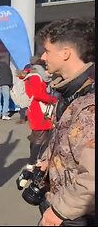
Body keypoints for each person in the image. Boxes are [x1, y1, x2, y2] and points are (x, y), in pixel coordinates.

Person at [35, 18, 95, 226]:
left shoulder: (89, 105)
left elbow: (93, 179)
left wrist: (59, 212)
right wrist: (48, 163)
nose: (43, 57)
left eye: (47, 51)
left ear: (66, 53)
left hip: (74, 216)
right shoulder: (70, 94)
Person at [15, 59, 57, 189]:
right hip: (39, 111)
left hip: (36, 110)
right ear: (41, 68)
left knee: (37, 136)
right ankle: (31, 164)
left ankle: (34, 160)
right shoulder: (35, 77)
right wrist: (52, 99)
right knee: (40, 137)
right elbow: (38, 94)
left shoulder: (32, 75)